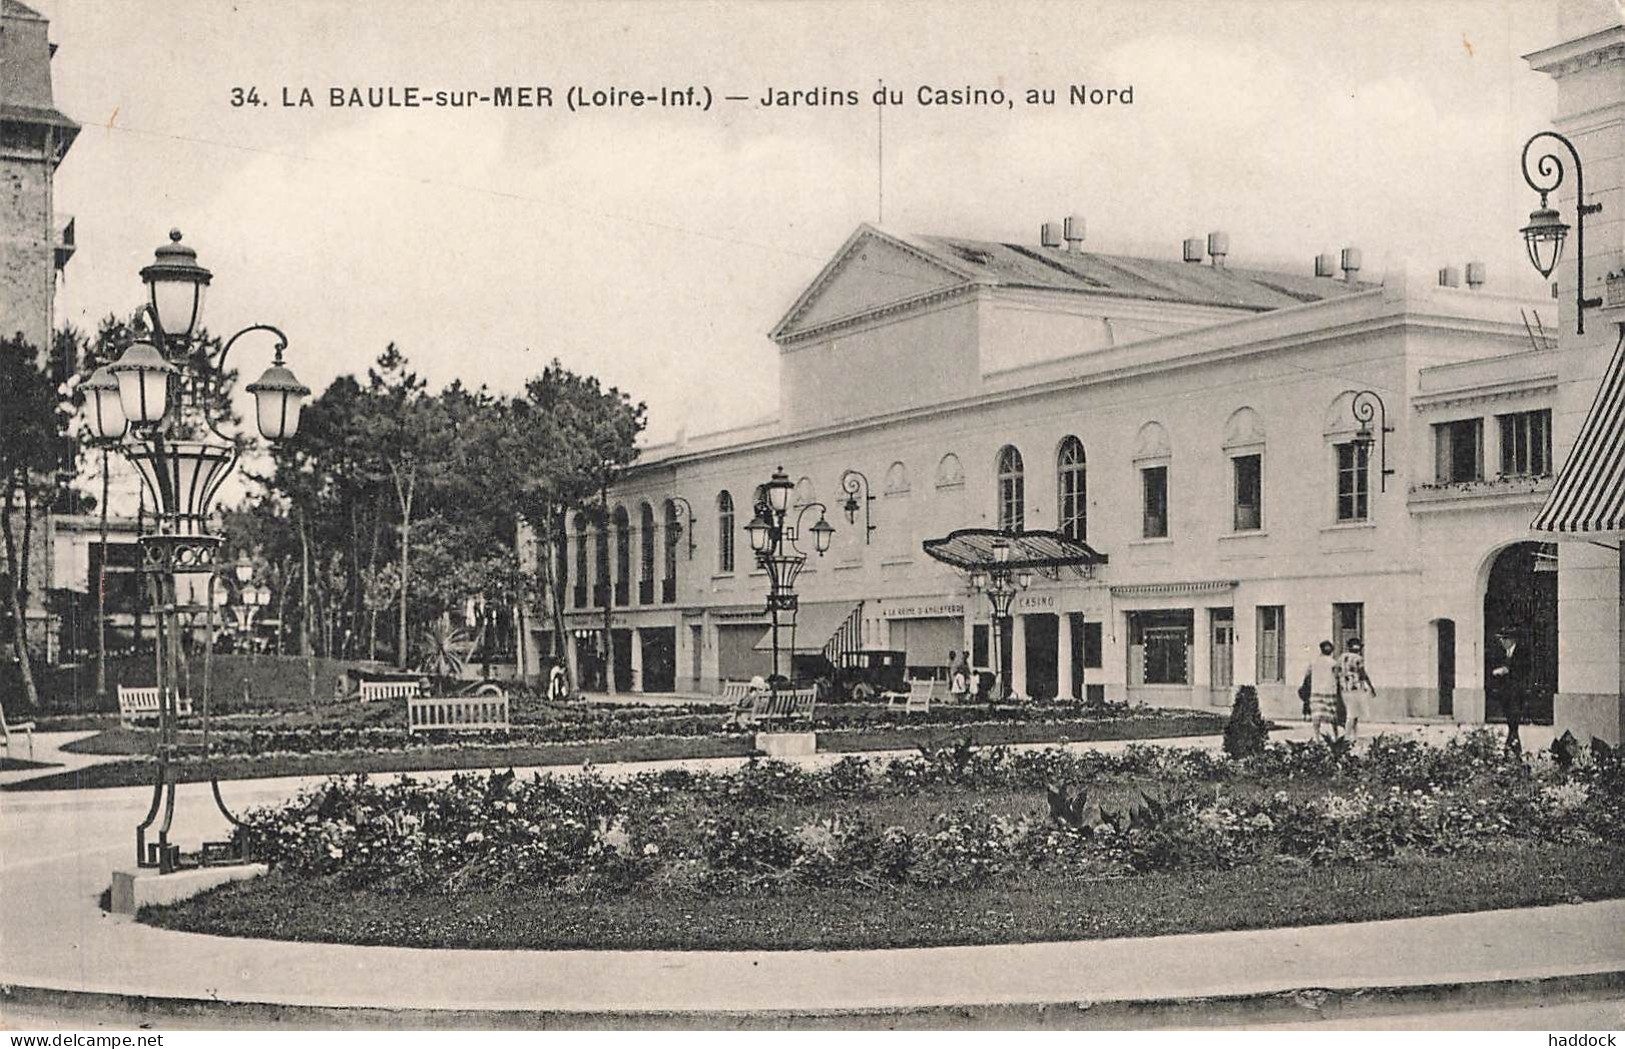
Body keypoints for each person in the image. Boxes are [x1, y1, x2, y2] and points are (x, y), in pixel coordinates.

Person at [1488, 626, 1530, 754]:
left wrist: (1506, 670)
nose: (1502, 642)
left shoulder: (1522, 652)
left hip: (1517, 694)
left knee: (1513, 722)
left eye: (1504, 639)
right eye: (1501, 639)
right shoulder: (1504, 653)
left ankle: (1511, 750)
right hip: (1506, 694)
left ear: (1511, 640)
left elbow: (1523, 670)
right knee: (1512, 723)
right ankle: (1513, 749)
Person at [1299, 640, 1342, 740]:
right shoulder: (1334, 663)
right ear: (1331, 651)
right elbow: (1338, 677)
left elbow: (1307, 675)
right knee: (1332, 715)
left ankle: (1317, 736)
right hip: (1330, 691)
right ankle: (1336, 735)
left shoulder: (1314, 662)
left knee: (1316, 715)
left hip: (1316, 691)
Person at [1338, 637, 1377, 742]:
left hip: (1344, 688)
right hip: (1355, 687)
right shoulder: (1358, 658)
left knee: (1353, 712)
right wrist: (1370, 686)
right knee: (1352, 713)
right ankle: (1347, 736)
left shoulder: (1341, 657)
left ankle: (1354, 735)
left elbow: (1337, 672)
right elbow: (1363, 673)